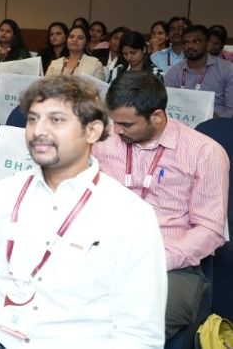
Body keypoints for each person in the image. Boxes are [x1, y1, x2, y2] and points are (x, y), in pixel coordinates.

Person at [0, 75, 167, 349]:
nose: (38, 131)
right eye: (33, 119)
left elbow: (139, 334)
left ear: (92, 131)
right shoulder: (2, 195)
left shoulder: (130, 215)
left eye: (56, 120)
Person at [93, 71, 229, 338]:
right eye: (114, 121)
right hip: (106, 252)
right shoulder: (104, 142)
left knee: (132, 323)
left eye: (126, 124)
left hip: (170, 264)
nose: (116, 130)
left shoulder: (205, 153)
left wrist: (154, 260)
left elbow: (209, 230)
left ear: (156, 116)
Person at [164, 25, 233, 117]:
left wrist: (212, 118)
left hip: (217, 123)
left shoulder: (227, 69)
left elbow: (230, 110)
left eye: (196, 41)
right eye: (186, 43)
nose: (190, 46)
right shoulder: (173, 73)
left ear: (208, 45)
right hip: (182, 122)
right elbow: (169, 108)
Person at [0, 19, 31, 106]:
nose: (3, 33)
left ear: (14, 35)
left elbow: (26, 75)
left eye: (8, 31)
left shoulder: (21, 52)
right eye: (1, 30)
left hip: (11, 89)